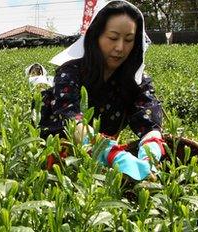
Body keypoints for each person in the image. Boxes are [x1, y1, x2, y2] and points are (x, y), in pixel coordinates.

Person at [41, 0, 165, 181]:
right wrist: (114, 155)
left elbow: (148, 118)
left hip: (107, 161)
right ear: (96, 36)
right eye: (113, 38)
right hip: (64, 160)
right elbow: (71, 119)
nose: (120, 48)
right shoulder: (71, 72)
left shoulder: (136, 80)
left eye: (129, 40)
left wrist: (150, 152)